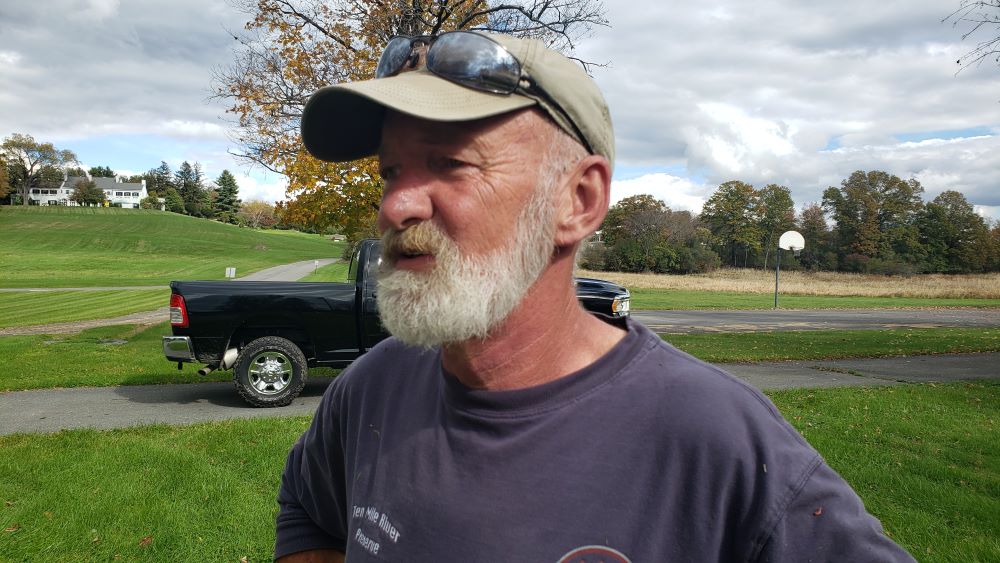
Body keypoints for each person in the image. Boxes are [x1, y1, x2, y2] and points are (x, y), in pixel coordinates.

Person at [275, 31, 915, 562]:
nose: (394, 205)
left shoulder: (720, 443)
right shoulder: (370, 391)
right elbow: (307, 510)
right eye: (390, 171)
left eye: (450, 163)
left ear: (577, 202)